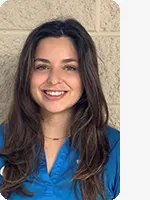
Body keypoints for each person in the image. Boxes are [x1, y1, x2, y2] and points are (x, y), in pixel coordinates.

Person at [0, 18, 120, 200]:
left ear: (86, 76)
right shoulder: (3, 141)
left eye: (69, 67)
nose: (54, 79)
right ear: (27, 75)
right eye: (42, 66)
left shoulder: (117, 148)